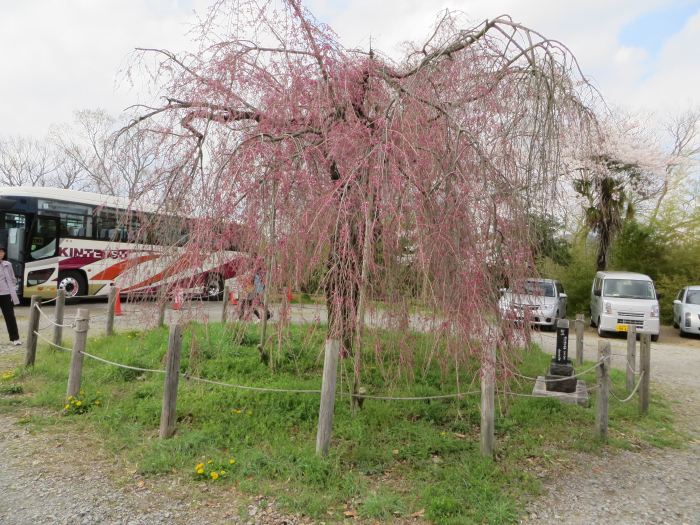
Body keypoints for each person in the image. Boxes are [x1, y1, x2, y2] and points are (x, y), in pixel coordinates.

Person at [0, 245, 21, 345]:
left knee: (10, 316)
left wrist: (11, 290)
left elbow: (13, 278)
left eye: (2, 252)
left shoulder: (7, 264)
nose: (0, 253)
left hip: (6, 294)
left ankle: (15, 338)